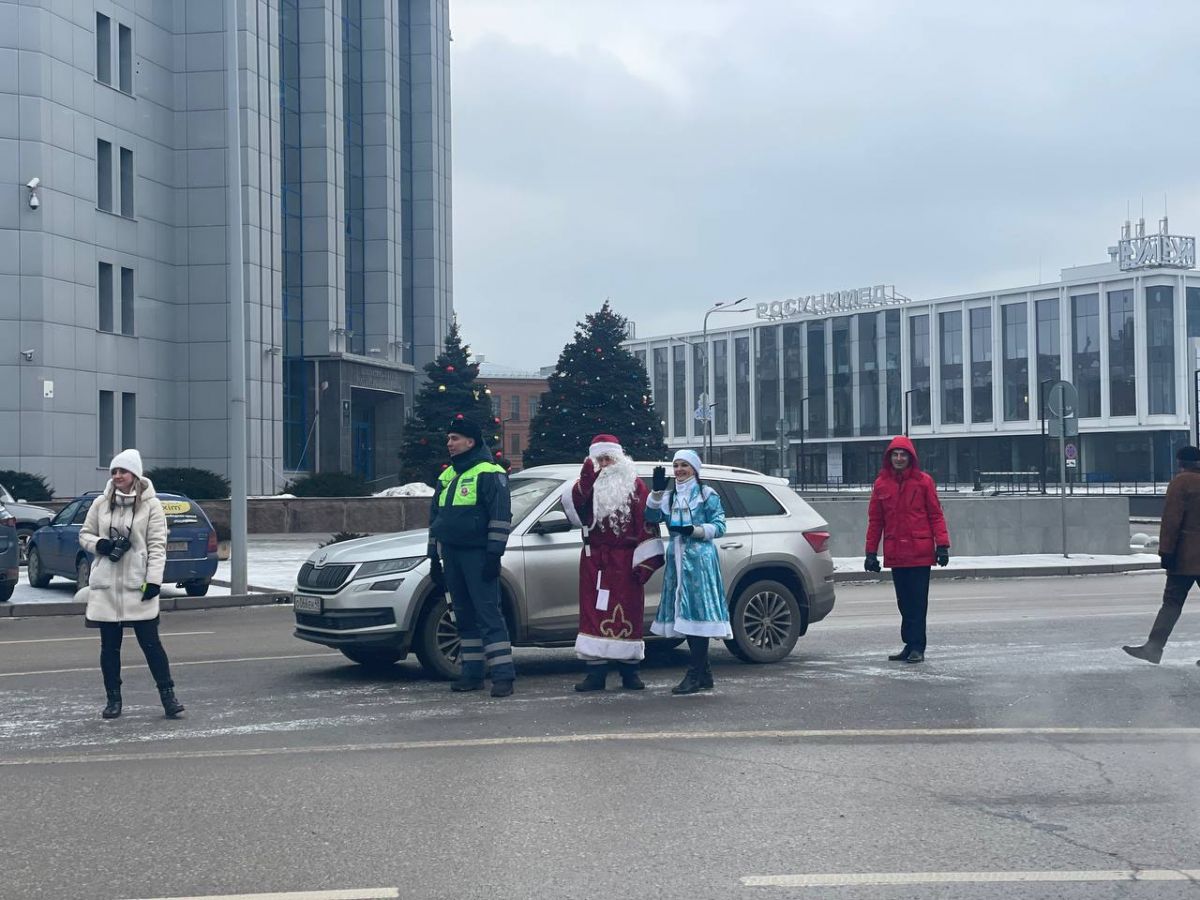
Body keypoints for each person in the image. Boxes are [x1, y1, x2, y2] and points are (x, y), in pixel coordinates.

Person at [80, 449, 184, 719]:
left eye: (123, 471)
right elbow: (85, 534)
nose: (117, 476)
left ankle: (169, 698)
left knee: (151, 645)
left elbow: (157, 546)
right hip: (106, 586)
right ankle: (113, 700)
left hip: (137, 585)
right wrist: (101, 544)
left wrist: (154, 581)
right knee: (109, 649)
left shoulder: (151, 505)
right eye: (114, 471)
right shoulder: (101, 503)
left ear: (135, 474)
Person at [561, 434, 664, 692]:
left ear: (620, 459)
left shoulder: (635, 486)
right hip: (596, 561)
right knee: (593, 613)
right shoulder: (587, 485)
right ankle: (595, 673)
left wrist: (645, 563)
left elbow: (647, 522)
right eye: (600, 460)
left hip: (626, 561)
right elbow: (575, 511)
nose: (605, 464)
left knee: (629, 611)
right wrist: (585, 484)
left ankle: (630, 671)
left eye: (609, 459)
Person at [427, 415, 516, 697]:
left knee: (488, 614)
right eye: (448, 439)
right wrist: (433, 557)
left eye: (454, 439)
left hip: (478, 555)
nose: (449, 443)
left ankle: (503, 676)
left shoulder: (490, 472)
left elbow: (500, 518)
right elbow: (436, 520)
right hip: (451, 554)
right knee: (462, 615)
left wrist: (493, 555)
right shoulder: (447, 476)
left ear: (471, 442)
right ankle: (472, 674)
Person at [646, 449, 731, 694]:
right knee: (686, 616)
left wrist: (695, 530)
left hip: (699, 560)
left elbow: (720, 525)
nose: (679, 470)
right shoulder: (670, 496)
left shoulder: (706, 494)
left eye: (684, 465)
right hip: (677, 559)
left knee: (697, 614)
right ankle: (704, 674)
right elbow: (650, 517)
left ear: (694, 468)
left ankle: (694, 674)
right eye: (676, 465)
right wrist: (656, 493)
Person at [864, 435, 951, 664]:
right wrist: (870, 553)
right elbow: (875, 521)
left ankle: (917, 646)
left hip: (920, 552)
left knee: (918, 603)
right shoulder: (881, 484)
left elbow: (935, 515)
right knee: (903, 602)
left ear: (911, 457)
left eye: (903, 455)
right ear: (889, 458)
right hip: (896, 552)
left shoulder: (924, 482)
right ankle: (909, 644)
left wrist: (942, 545)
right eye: (895, 454)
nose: (899, 458)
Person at [1123, 445, 1200, 665]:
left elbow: (1171, 520)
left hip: (1184, 557)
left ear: (1180, 462)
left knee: (1172, 603)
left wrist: (1166, 551)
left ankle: (1153, 648)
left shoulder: (1181, 483)